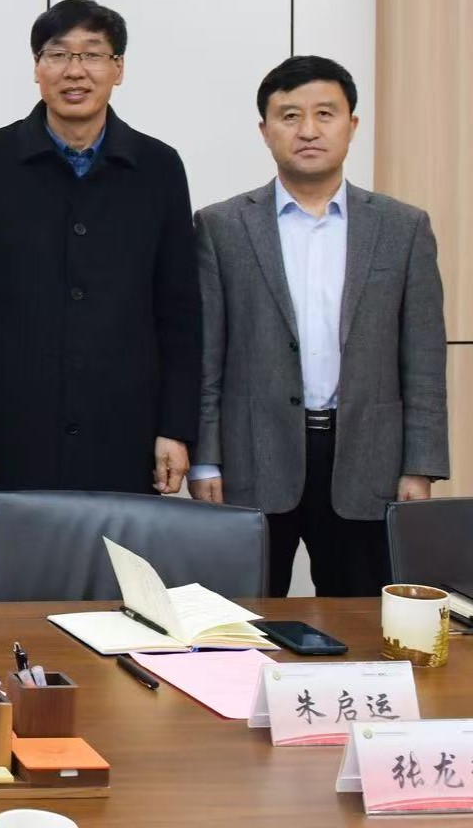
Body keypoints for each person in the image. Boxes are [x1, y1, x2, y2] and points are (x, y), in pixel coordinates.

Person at [0, 0, 200, 542]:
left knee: (120, 577)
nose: (75, 71)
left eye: (93, 55)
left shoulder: (158, 167)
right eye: (58, 54)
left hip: (125, 428)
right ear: (37, 67)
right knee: (17, 575)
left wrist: (175, 427)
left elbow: (179, 311)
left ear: (118, 69)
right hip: (11, 427)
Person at [192, 56, 449, 597]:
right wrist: (206, 459)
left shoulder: (402, 227)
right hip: (252, 455)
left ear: (351, 125)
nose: (307, 130)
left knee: (364, 620)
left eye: (325, 114)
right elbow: (207, 354)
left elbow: (424, 359)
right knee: (240, 620)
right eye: (289, 116)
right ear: (265, 130)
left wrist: (420, 466)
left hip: (368, 458)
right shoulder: (221, 226)